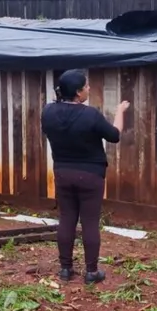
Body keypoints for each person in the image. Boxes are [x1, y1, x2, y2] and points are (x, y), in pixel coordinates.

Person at [40, 69, 129, 285]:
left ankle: (65, 269)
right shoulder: (90, 115)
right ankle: (91, 272)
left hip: (62, 172)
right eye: (86, 86)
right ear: (79, 93)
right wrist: (120, 110)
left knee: (67, 219)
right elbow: (115, 136)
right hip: (91, 175)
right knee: (89, 222)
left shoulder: (48, 112)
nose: (89, 89)